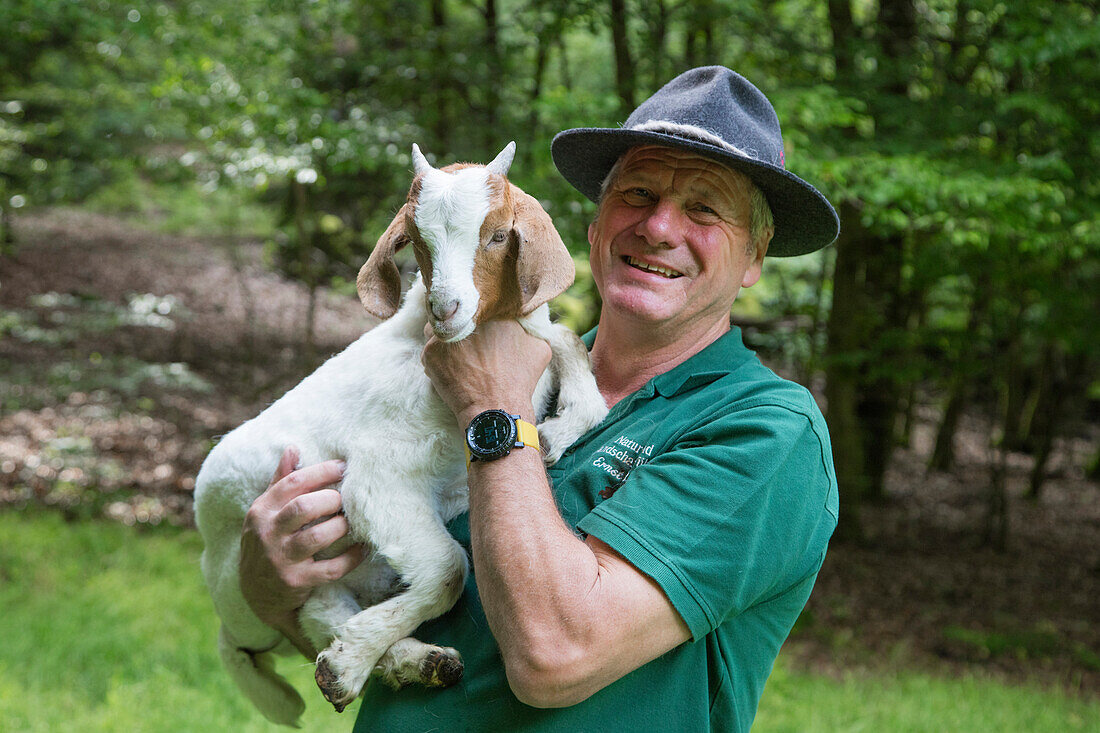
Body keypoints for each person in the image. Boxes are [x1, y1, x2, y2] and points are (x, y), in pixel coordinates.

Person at [238, 66, 840, 732]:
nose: (660, 226)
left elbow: (553, 656)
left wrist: (494, 409)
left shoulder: (765, 432)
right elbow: (371, 608)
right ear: (594, 222)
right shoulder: (494, 366)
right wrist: (272, 585)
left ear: (755, 256)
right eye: (638, 192)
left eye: (704, 208)